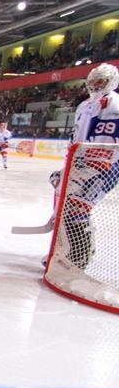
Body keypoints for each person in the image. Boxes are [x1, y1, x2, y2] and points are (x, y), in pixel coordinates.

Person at [54, 63, 119, 268]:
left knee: (77, 207)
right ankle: (66, 251)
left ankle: (80, 258)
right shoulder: (84, 106)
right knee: (65, 204)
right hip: (81, 164)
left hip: (108, 166)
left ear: (111, 82)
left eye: (100, 81)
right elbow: (77, 138)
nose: (94, 85)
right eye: (92, 81)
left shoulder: (117, 105)